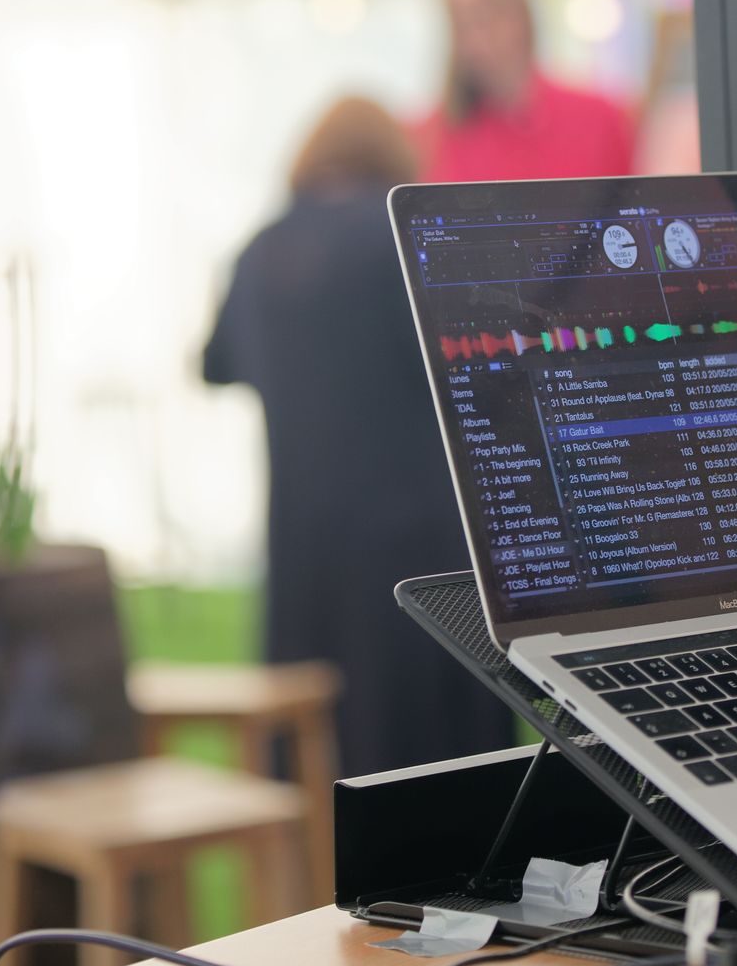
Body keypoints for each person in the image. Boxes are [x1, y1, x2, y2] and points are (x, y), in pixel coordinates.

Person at [203, 96, 514, 776]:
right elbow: (482, 365)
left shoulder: (260, 249)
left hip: (305, 551)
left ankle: (315, 871)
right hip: (419, 546)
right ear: (392, 156)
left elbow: (213, 365)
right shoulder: (401, 236)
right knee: (443, 766)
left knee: (320, 755)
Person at [414, 0, 637, 183]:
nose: (476, 37)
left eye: (485, 13)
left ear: (521, 13)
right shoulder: (430, 138)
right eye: (461, 22)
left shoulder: (599, 118)